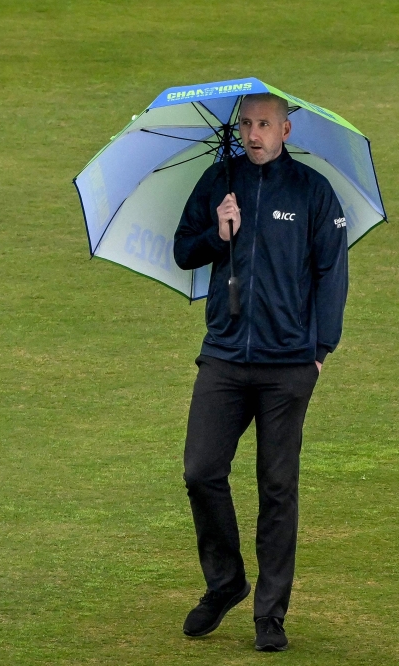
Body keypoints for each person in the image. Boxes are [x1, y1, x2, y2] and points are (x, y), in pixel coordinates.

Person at [173, 93, 349, 651]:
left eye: (265, 124)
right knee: (201, 470)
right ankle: (226, 583)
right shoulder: (216, 182)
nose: (254, 134)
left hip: (288, 365)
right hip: (224, 356)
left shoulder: (313, 192)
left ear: (286, 130)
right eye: (246, 124)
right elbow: (183, 253)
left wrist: (319, 349)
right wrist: (217, 232)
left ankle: (269, 616)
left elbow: (332, 271)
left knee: (277, 487)